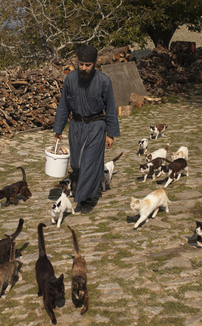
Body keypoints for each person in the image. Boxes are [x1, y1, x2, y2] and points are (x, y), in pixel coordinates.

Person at [53, 44, 120, 214]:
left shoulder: (104, 81)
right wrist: (58, 129)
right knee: (76, 164)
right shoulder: (70, 79)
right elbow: (63, 106)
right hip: (76, 126)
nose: (83, 68)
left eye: (87, 65)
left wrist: (111, 134)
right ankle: (86, 190)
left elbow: (110, 108)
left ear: (94, 63)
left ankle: (86, 199)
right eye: (81, 64)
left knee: (89, 162)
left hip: (97, 126)